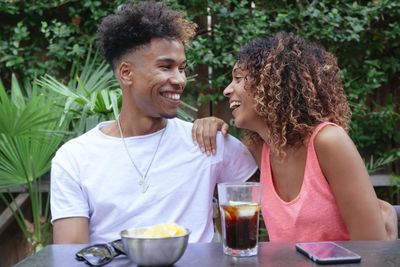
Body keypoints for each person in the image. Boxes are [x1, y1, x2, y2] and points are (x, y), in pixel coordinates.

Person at [50, 1, 257, 244]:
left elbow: (278, 187)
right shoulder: (75, 158)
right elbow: (70, 255)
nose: (180, 80)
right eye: (166, 67)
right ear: (126, 73)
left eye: (181, 68)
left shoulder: (208, 141)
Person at [193, 32, 398, 241]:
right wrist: (209, 124)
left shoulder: (328, 142)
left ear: (272, 84)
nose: (227, 90)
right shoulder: (259, 150)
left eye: (238, 78)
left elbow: (372, 247)